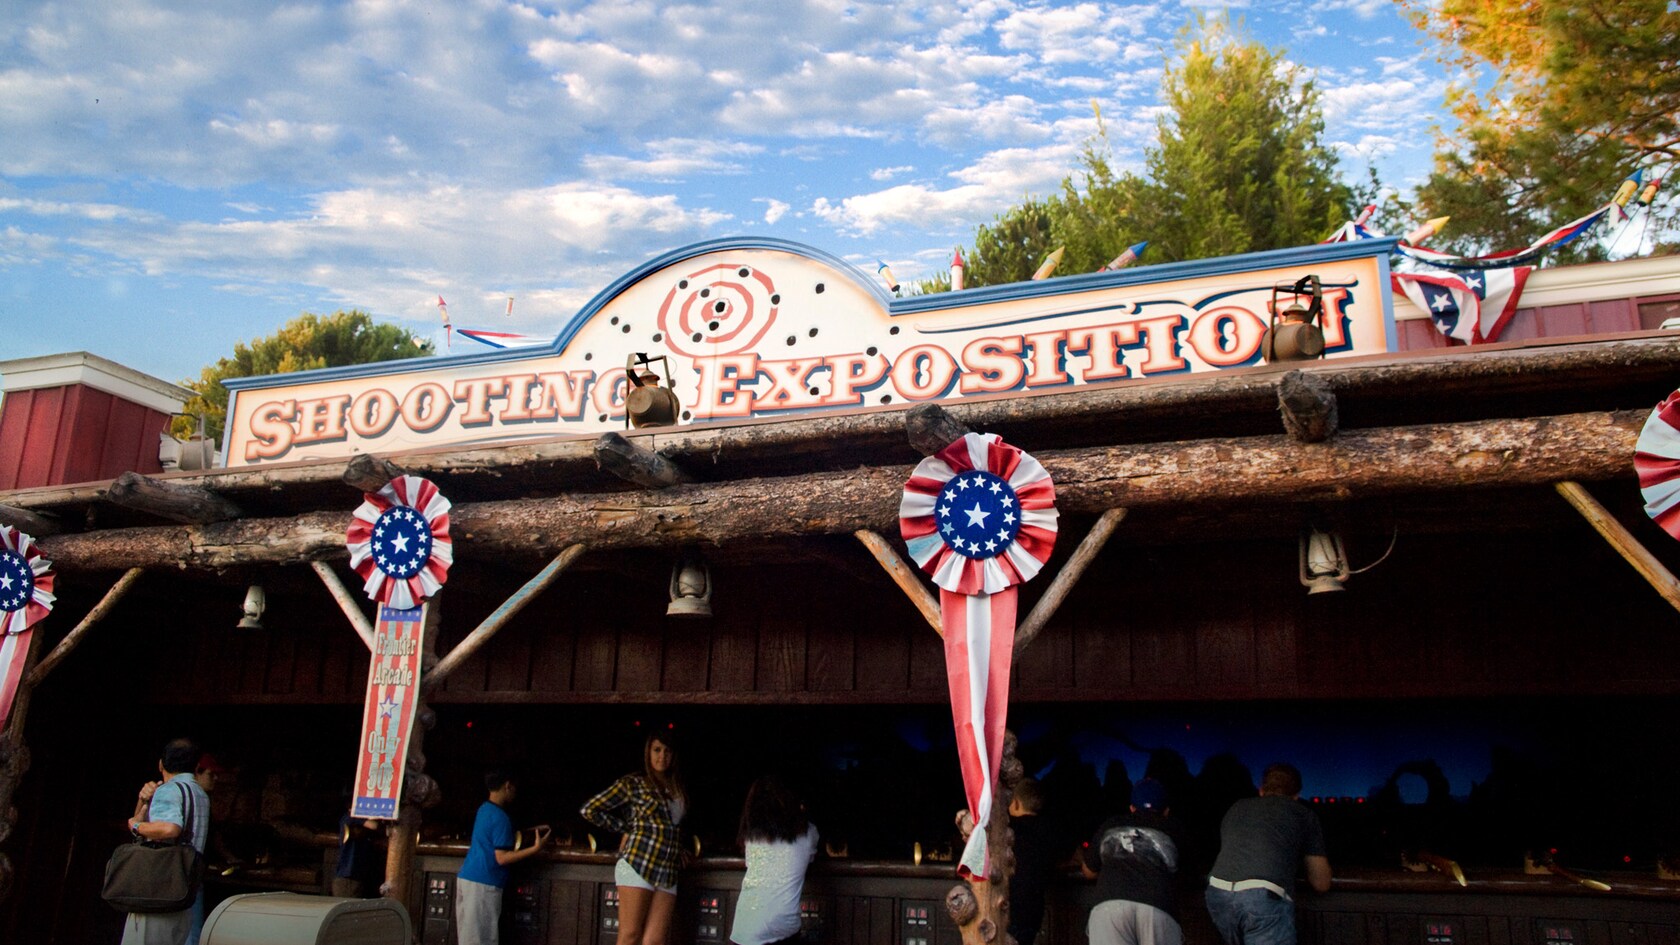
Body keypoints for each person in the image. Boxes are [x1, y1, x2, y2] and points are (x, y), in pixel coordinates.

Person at [1204, 763, 1331, 945]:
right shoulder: (1303, 814)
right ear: (1296, 796)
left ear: (1261, 790)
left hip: (1217, 892)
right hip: (1263, 897)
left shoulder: (1237, 807)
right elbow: (1321, 883)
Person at [581, 732, 687, 945]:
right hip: (639, 861)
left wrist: (678, 847)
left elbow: (672, 824)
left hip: (667, 868)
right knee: (630, 935)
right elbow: (590, 809)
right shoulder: (633, 783)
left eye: (667, 751)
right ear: (648, 753)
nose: (662, 756)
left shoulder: (677, 787)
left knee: (655, 940)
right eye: (657, 750)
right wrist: (627, 828)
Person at [121, 737, 210, 945]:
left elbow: (170, 828)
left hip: (158, 888)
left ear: (161, 763)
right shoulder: (200, 794)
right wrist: (143, 804)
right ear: (196, 766)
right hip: (183, 892)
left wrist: (135, 825)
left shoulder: (169, 790)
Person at [1080, 778, 1186, 945]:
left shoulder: (1111, 825)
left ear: (1131, 808)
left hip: (1109, 906)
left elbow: (1088, 871)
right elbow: (1188, 875)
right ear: (1166, 811)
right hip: (1157, 906)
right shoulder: (1175, 829)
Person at [456, 770, 551, 945]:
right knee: (481, 939)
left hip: (467, 877)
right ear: (507, 786)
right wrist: (535, 848)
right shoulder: (501, 818)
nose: (515, 792)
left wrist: (529, 831)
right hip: (484, 882)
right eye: (514, 788)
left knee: (467, 938)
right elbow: (501, 857)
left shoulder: (484, 809)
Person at [729, 776, 818, 945]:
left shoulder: (752, 838)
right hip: (783, 926)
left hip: (744, 927)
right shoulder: (808, 833)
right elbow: (809, 858)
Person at [1005, 779, 1056, 945]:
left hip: (1007, 906)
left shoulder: (1008, 829)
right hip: (1033, 910)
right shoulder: (1049, 829)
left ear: (1017, 803)